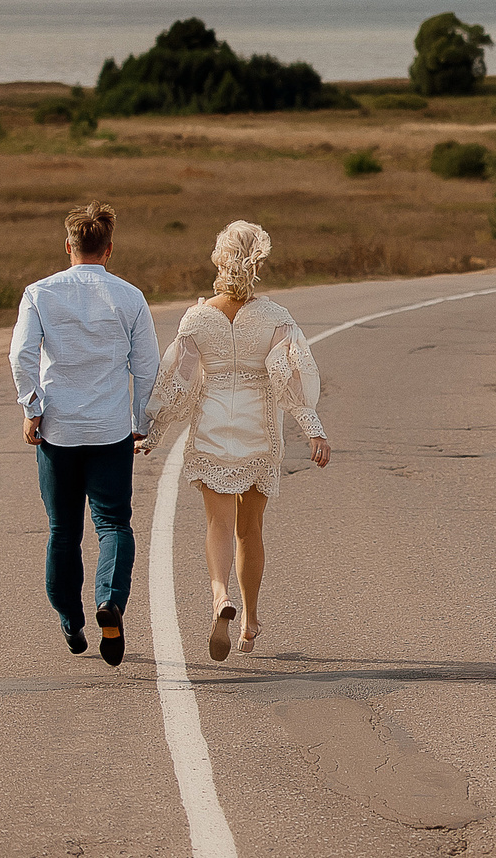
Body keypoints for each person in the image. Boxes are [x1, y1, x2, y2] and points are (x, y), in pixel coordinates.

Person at [145, 220, 329, 661]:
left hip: (211, 428)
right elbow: (293, 376)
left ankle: (218, 595)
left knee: (218, 524)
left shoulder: (197, 318)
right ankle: (248, 621)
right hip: (259, 432)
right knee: (251, 529)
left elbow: (178, 379)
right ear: (259, 261)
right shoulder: (275, 318)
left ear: (218, 258)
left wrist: (153, 432)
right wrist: (313, 428)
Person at [9, 201, 158, 667]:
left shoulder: (39, 293)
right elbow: (147, 367)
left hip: (59, 432)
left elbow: (21, 356)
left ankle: (71, 621)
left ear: (68, 246)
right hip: (111, 432)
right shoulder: (129, 297)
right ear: (109, 249)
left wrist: (32, 408)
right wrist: (141, 422)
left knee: (62, 531)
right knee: (113, 524)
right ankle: (109, 601)